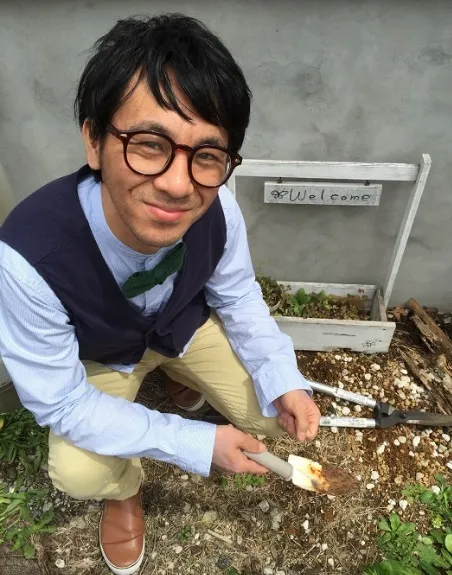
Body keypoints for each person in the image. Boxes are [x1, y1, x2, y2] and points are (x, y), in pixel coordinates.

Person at [0, 13, 320, 575]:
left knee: (276, 417)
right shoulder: (26, 259)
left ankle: (176, 374)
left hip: (183, 328)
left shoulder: (218, 207)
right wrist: (194, 443)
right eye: (149, 144)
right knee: (80, 473)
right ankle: (123, 490)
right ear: (94, 141)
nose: (177, 184)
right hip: (102, 355)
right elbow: (62, 402)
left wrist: (284, 376)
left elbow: (238, 296)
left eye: (207, 155)